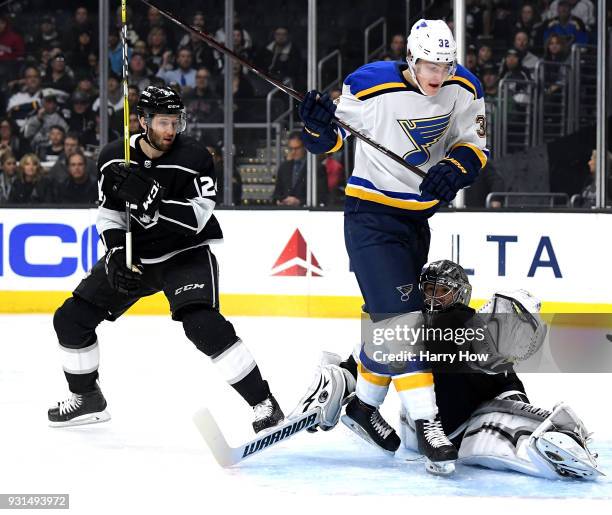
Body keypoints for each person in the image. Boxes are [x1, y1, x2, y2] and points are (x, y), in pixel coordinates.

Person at [298, 19, 488, 475]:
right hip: (370, 219)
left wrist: (456, 170)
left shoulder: (465, 86)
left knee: (389, 320)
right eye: (428, 65)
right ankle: (428, 423)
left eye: (444, 65)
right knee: (403, 322)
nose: (436, 76)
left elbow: (474, 145)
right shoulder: (368, 84)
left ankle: (363, 407)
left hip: (416, 219)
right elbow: (327, 142)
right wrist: (316, 126)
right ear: (411, 59)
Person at [47, 86, 284, 434]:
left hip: (184, 252)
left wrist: (152, 202)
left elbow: (199, 217)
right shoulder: (114, 157)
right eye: (162, 122)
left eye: (176, 121)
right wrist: (115, 252)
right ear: (143, 121)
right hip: (137, 253)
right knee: (70, 319)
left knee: (201, 324)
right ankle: (87, 399)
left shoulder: (196, 157)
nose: (171, 130)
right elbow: (109, 214)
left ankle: (263, 402)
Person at [294, 260, 603, 480]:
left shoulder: (469, 328)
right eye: (427, 289)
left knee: (392, 334)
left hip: (449, 430)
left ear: (461, 294)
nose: (431, 297)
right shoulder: (452, 325)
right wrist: (350, 373)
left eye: (439, 291)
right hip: (437, 429)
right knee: (392, 335)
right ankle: (548, 438)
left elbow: (507, 389)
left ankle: (541, 437)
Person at [272, 132, 327, 207]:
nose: (293, 152)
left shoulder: (316, 167)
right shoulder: (284, 167)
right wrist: (281, 200)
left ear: (305, 147)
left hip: (307, 211)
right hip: (285, 211)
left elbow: (322, 196)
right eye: (291, 148)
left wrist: (300, 202)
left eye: (297, 148)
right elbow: (276, 193)